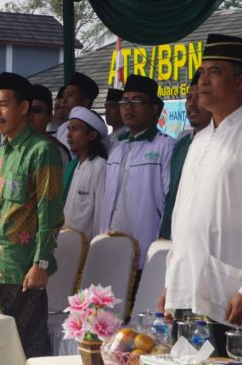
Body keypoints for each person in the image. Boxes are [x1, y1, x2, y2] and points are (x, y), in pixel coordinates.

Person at [161, 34, 242, 355]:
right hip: (187, 287)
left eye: (215, 72)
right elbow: (182, 216)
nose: (203, 80)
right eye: (202, 71)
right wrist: (171, 282)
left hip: (229, 293)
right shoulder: (198, 140)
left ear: (239, 81)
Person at [0, 72, 63, 358]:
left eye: (3, 105)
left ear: (24, 107)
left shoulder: (42, 151)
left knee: (26, 350)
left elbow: (50, 213)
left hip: (22, 271)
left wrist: (41, 263)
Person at [99, 75, 175, 269]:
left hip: (146, 249)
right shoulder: (117, 147)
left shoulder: (165, 147)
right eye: (124, 101)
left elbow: (170, 201)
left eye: (137, 101)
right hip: (110, 247)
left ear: (153, 109)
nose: (128, 107)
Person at [158, 72, 211, 240]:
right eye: (189, 97)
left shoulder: (221, 144)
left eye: (199, 97)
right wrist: (164, 233)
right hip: (174, 237)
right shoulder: (181, 145)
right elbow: (172, 195)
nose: (192, 104)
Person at [62, 106, 108, 241]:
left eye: (75, 129)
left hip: (86, 247)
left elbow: (100, 213)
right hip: (65, 243)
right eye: (69, 129)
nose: (69, 135)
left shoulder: (100, 165)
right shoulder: (72, 166)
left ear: (91, 135)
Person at [55, 72, 100, 152]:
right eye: (64, 95)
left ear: (85, 102)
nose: (63, 101)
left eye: (70, 95)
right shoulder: (63, 128)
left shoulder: (94, 128)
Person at [31, 84, 71, 170]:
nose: (30, 116)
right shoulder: (13, 147)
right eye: (26, 111)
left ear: (49, 116)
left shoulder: (54, 150)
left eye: (36, 111)